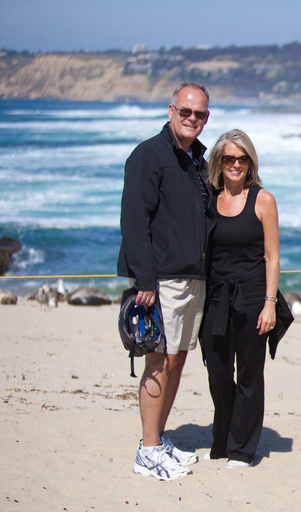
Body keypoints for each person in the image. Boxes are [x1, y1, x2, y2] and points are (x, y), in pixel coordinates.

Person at [117, 82, 212, 481]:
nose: (192, 119)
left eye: (200, 114)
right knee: (158, 361)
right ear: (171, 110)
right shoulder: (148, 155)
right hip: (161, 281)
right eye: (186, 111)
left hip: (194, 277)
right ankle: (148, 450)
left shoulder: (196, 161)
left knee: (177, 359)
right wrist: (145, 279)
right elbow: (134, 220)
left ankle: (158, 438)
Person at [200, 129, 292, 468]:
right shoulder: (209, 198)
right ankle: (223, 440)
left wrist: (270, 303)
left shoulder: (263, 199)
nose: (236, 164)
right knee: (219, 373)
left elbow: (272, 257)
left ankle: (241, 450)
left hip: (253, 297)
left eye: (242, 159)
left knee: (250, 376)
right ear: (219, 162)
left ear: (250, 162)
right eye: (229, 159)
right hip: (216, 297)